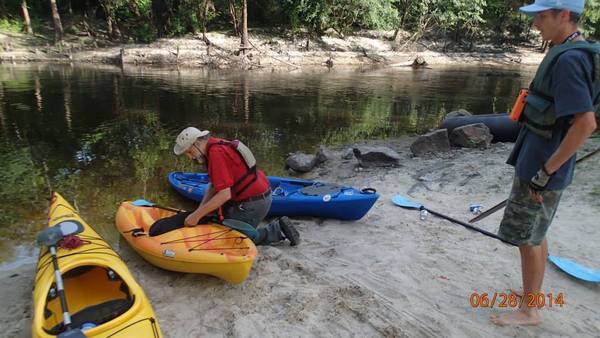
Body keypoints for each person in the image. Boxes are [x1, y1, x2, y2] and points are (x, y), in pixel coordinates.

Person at [491, 0, 598, 326]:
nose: (535, 25)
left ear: (564, 15)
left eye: (541, 16)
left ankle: (529, 311)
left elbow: (585, 123)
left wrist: (546, 171)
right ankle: (530, 296)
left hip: (544, 166)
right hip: (542, 161)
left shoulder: (570, 61)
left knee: (529, 238)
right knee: (536, 232)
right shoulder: (572, 49)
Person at [150, 126, 300, 246]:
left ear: (197, 143)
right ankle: (245, 223)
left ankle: (275, 230)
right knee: (213, 219)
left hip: (254, 202)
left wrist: (196, 216)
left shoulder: (216, 154)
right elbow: (214, 186)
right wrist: (200, 210)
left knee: (229, 238)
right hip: (255, 196)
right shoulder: (215, 146)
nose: (190, 157)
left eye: (189, 152)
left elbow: (224, 194)